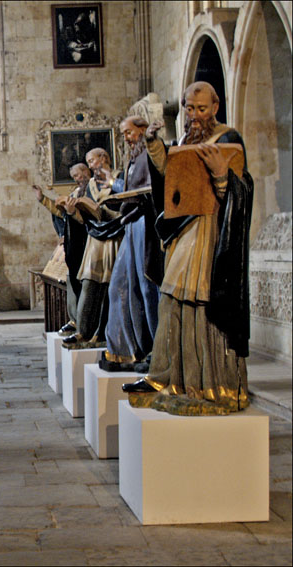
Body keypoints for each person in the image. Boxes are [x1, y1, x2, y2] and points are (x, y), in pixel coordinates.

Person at [123, 81, 254, 415]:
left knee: (202, 308)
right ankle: (168, 378)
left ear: (215, 107)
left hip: (212, 237)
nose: (194, 116)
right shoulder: (185, 141)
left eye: (201, 108)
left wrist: (222, 175)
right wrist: (154, 146)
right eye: (189, 108)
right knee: (171, 304)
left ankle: (212, 385)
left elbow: (242, 192)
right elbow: (170, 178)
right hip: (183, 234)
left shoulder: (228, 139)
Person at [98, 116, 163, 372]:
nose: (126, 137)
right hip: (131, 224)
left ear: (143, 130)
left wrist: (115, 184)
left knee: (147, 290)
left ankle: (155, 351)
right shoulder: (135, 159)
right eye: (123, 133)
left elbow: (154, 188)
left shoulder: (151, 155)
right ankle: (127, 350)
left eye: (129, 132)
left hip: (146, 225)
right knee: (120, 287)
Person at [61, 148, 123, 348]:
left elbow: (127, 206)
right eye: (88, 162)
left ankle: (105, 334)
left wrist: (106, 212)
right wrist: (72, 212)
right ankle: (83, 331)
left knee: (111, 289)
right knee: (89, 285)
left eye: (92, 161)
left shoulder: (119, 178)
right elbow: (84, 219)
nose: (90, 166)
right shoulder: (90, 186)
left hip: (116, 238)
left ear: (104, 158)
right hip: (96, 240)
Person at [33, 162, 92, 338]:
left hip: (88, 243)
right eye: (74, 177)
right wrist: (43, 199)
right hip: (75, 245)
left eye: (78, 175)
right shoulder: (76, 193)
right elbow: (62, 214)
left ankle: (85, 324)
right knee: (72, 281)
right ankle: (75, 320)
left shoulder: (93, 189)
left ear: (86, 171)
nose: (77, 179)